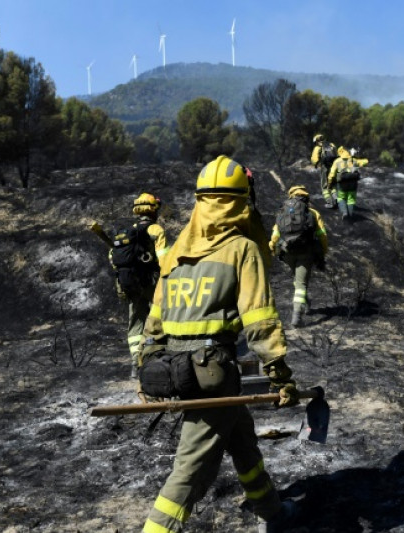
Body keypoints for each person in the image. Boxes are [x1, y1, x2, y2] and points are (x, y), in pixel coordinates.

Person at [138, 155, 300, 533]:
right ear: (240, 201)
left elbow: (154, 319)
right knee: (191, 471)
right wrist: (280, 375)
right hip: (213, 372)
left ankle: (272, 514)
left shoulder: (177, 252)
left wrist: (146, 365)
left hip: (173, 370)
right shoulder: (241, 249)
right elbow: (259, 319)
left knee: (241, 439)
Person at [113, 193, 170, 378]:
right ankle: (156, 358)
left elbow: (113, 259)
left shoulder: (127, 233)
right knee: (159, 318)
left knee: (135, 324)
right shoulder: (156, 230)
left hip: (130, 284)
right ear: (153, 210)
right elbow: (164, 260)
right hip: (151, 283)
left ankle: (135, 364)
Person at [269, 185, 328, 328]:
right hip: (305, 252)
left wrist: (273, 249)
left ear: (291, 196)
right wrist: (322, 253)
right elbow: (322, 235)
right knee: (301, 284)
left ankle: (305, 303)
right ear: (306, 197)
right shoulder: (312, 212)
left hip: (287, 252)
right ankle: (297, 315)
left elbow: (275, 235)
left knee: (297, 277)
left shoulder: (283, 212)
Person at [327, 146, 370, 220]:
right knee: (351, 199)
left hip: (342, 184)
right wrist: (364, 158)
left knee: (341, 198)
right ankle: (350, 214)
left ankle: (345, 213)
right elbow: (365, 161)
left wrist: (329, 183)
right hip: (353, 183)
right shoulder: (354, 160)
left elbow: (331, 174)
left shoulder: (337, 161)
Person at [310, 134, 338, 209]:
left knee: (325, 186)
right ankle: (336, 199)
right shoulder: (332, 145)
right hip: (334, 167)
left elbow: (314, 160)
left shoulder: (318, 147)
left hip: (325, 167)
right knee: (332, 184)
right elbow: (337, 154)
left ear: (316, 141)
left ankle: (329, 202)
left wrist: (316, 164)